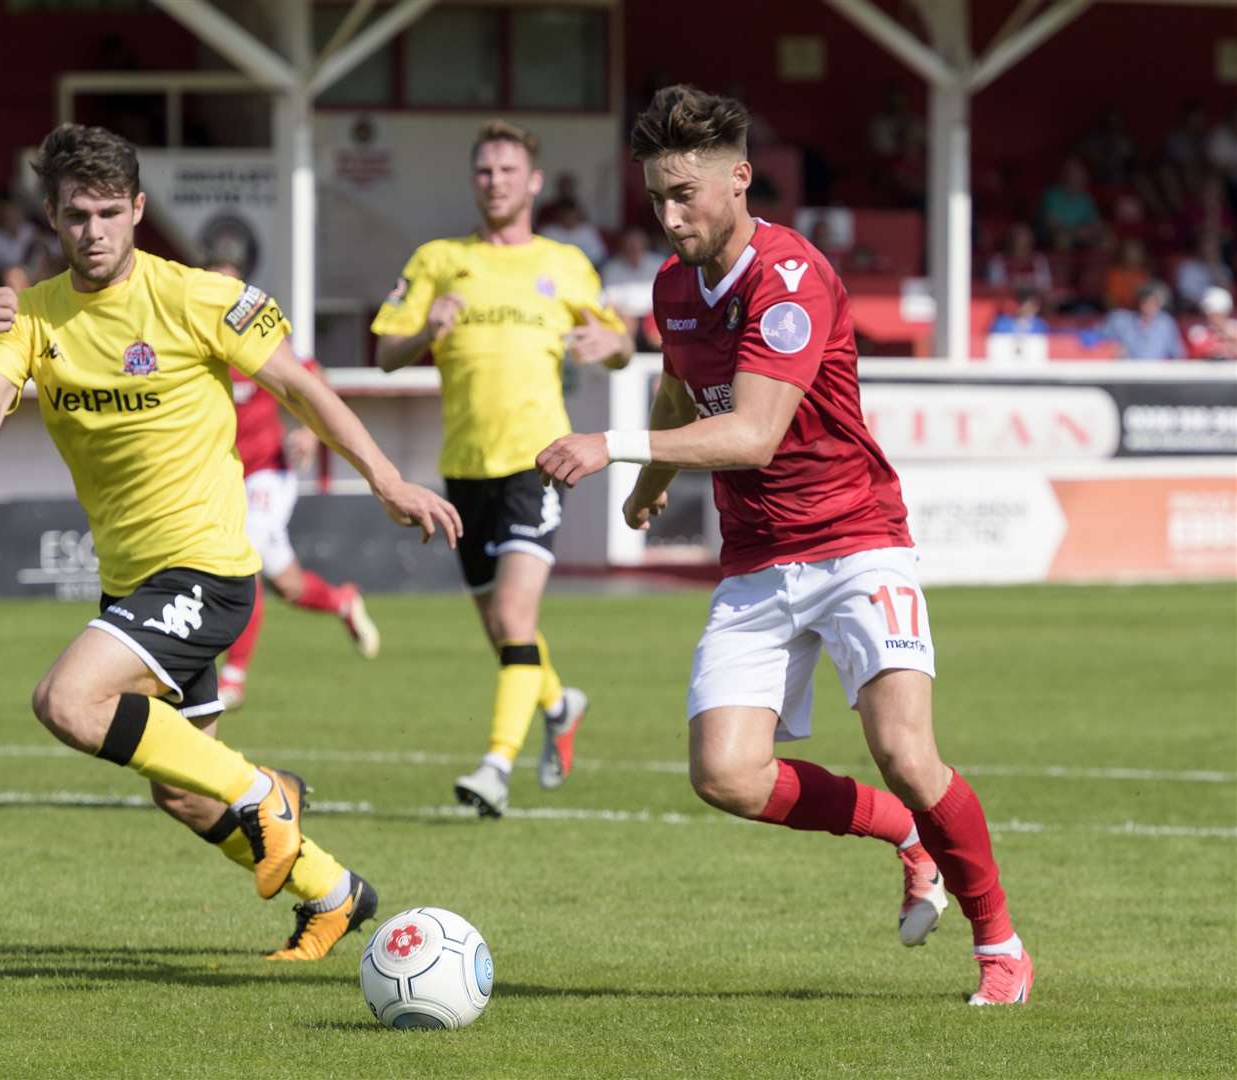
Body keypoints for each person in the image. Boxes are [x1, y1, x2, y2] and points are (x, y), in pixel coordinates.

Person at [537, 85, 1034, 1006]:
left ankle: (998, 940)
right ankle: (904, 836)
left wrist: (612, 450)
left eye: (684, 192)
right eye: (654, 196)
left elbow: (755, 433)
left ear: (739, 179)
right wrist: (651, 482)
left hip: (855, 541)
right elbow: (683, 391)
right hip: (757, 558)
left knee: (906, 752)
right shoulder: (672, 285)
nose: (668, 213)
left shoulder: (791, 278)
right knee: (723, 774)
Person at [0, 123, 461, 960]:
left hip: (207, 568)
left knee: (66, 702)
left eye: (110, 212)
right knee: (183, 796)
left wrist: (386, 479)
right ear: (52, 215)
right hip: (132, 582)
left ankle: (264, 794)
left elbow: (301, 386)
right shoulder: (33, 316)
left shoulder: (194, 296)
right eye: (77, 214)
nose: (94, 231)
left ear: (139, 210)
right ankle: (335, 895)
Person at [372, 119, 633, 817]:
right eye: (485, 171)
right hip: (465, 467)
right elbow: (384, 353)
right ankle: (558, 701)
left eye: (508, 171)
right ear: (473, 180)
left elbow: (621, 345)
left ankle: (493, 767)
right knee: (500, 627)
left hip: (538, 461)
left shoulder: (567, 263)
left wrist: (610, 341)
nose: (496, 182)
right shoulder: (438, 259)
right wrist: (427, 331)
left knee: (516, 613)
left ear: (534, 182)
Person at [203, 260, 381, 711]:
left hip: (268, 469)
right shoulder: (193, 343)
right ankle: (342, 602)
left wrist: (308, 430)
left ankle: (234, 677)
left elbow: (312, 377)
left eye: (231, 287)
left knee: (247, 553)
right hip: (221, 475)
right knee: (287, 584)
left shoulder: (255, 338)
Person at [601, 226, 667, 349]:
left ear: (645, 246)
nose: (633, 249)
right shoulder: (612, 268)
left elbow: (669, 296)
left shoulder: (659, 263)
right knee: (622, 324)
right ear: (622, 247)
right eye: (629, 246)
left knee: (660, 326)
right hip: (625, 316)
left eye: (637, 245)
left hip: (655, 315)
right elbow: (609, 302)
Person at [1103, 282, 1187, 360]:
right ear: (1139, 301)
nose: (1149, 306)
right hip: (1124, 372)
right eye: (1146, 301)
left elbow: (1178, 354)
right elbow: (1098, 341)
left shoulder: (1166, 323)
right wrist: (1112, 349)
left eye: (1154, 303)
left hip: (1156, 373)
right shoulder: (1120, 319)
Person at [1186, 286, 1237, 360]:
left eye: (1218, 314)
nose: (1214, 317)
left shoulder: (1234, 328)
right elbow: (1196, 353)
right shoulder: (1198, 331)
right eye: (1211, 314)